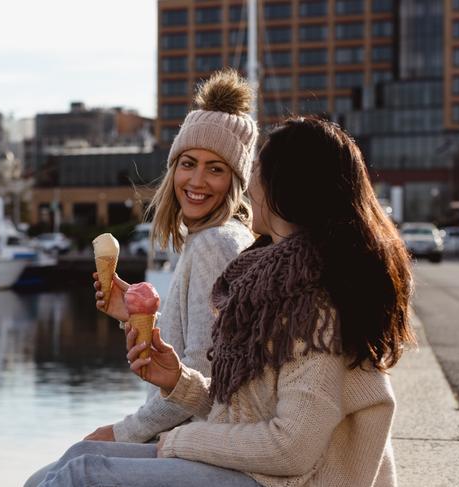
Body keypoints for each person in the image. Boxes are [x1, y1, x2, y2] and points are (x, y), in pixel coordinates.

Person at [30, 117, 415, 487]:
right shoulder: (274, 280)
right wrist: (178, 381)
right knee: (79, 457)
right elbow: (250, 410)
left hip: (297, 480)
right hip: (267, 475)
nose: (250, 186)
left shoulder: (314, 303)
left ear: (286, 188)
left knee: (82, 477)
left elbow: (291, 449)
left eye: (258, 171)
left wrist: (179, 442)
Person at [23, 68, 257, 486]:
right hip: (197, 440)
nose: (197, 181)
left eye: (216, 169)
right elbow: (195, 352)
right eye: (188, 164)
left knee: (67, 472)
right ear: (173, 169)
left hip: (209, 449)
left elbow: (205, 381)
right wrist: (132, 316)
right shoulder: (211, 240)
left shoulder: (215, 245)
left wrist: (122, 432)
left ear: (236, 181)